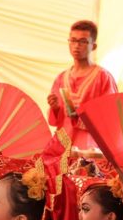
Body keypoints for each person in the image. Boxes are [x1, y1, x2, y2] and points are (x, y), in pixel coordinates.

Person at [47, 20, 117, 150]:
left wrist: (85, 115)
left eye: (83, 41)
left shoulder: (103, 77)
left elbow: (112, 116)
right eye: (73, 40)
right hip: (63, 144)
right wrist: (55, 108)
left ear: (93, 46)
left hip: (91, 146)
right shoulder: (61, 78)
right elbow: (55, 121)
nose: (76, 46)